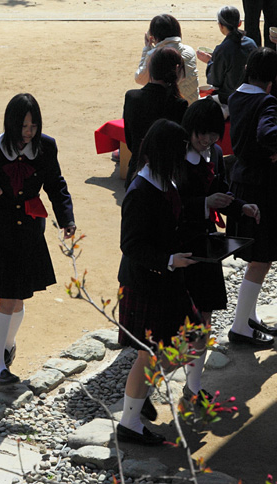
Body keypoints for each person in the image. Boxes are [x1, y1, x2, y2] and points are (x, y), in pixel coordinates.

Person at [0, 93, 75, 387]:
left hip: (29, 229)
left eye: (33, 126)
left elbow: (55, 184)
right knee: (7, 298)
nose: (29, 132)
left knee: (21, 296)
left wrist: (67, 219)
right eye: (24, 126)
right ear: (11, 124)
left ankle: (8, 347)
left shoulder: (46, 146)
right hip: (0, 230)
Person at [117, 119, 200, 446]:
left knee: (184, 342)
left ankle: (138, 399)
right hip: (146, 283)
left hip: (167, 281)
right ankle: (129, 422)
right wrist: (168, 260)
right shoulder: (140, 191)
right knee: (148, 355)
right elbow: (131, 245)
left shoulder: (166, 181)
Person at [178, 99, 260, 402]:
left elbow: (223, 190)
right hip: (177, 246)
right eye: (202, 135)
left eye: (214, 135)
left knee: (205, 315)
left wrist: (241, 207)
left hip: (207, 245)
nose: (208, 141)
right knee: (175, 320)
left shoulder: (213, 153)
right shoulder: (174, 155)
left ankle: (194, 385)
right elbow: (165, 205)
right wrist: (203, 204)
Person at [227, 47, 277, 346]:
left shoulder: (237, 95)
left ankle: (248, 318)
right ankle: (240, 327)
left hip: (242, 184)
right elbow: (268, 134)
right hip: (263, 189)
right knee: (261, 260)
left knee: (257, 259)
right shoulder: (266, 100)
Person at [123, 46, 188, 186]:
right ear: (177, 69)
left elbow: (129, 140)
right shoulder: (179, 104)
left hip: (136, 171)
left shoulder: (131, 97)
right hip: (166, 175)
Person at [196, 6, 256, 115]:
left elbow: (215, 80)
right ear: (239, 23)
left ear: (220, 25)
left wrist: (210, 62)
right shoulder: (251, 43)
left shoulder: (222, 49)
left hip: (229, 98)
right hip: (251, 94)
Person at [135, 14, 199, 104]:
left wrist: (147, 49)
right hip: (192, 106)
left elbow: (140, 79)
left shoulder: (154, 55)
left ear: (153, 36)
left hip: (169, 110)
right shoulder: (190, 50)